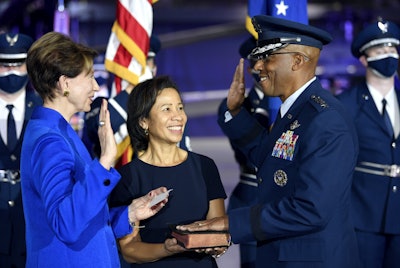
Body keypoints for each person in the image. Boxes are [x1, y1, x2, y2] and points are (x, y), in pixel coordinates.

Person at [177, 15, 361, 268]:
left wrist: (232, 222)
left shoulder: (325, 119)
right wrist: (235, 112)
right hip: (283, 252)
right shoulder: (296, 111)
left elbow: (312, 209)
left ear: (297, 61)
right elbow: (267, 158)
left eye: (267, 57)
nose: (257, 67)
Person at [20, 31, 168, 267]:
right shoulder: (50, 142)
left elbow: (82, 215)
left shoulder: (58, 132)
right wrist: (105, 161)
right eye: (89, 76)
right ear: (64, 83)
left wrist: (129, 213)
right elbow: (67, 225)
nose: (96, 86)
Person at [108, 76, 228, 268]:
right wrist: (166, 248)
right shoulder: (127, 177)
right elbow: (130, 250)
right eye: (167, 109)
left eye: (180, 107)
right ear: (143, 121)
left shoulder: (205, 166)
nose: (178, 116)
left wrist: (218, 244)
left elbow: (218, 230)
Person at [337, 18, 400, 267]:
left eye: (393, 49)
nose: (388, 55)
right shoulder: (345, 105)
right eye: (379, 50)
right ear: (363, 59)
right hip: (361, 215)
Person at [83, 35, 191, 164]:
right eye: (132, 63)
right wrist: (132, 89)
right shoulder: (100, 104)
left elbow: (182, 151)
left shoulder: (167, 110)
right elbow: (96, 130)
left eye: (146, 62)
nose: (139, 68)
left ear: (154, 69)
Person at [217, 36, 272, 268]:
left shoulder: (291, 103)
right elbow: (244, 147)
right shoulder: (235, 107)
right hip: (253, 194)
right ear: (250, 68)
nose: (263, 67)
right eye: (257, 62)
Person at [0, 32, 40, 268]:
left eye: (18, 65)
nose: (11, 72)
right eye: (4, 65)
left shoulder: (45, 109)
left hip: (31, 223)